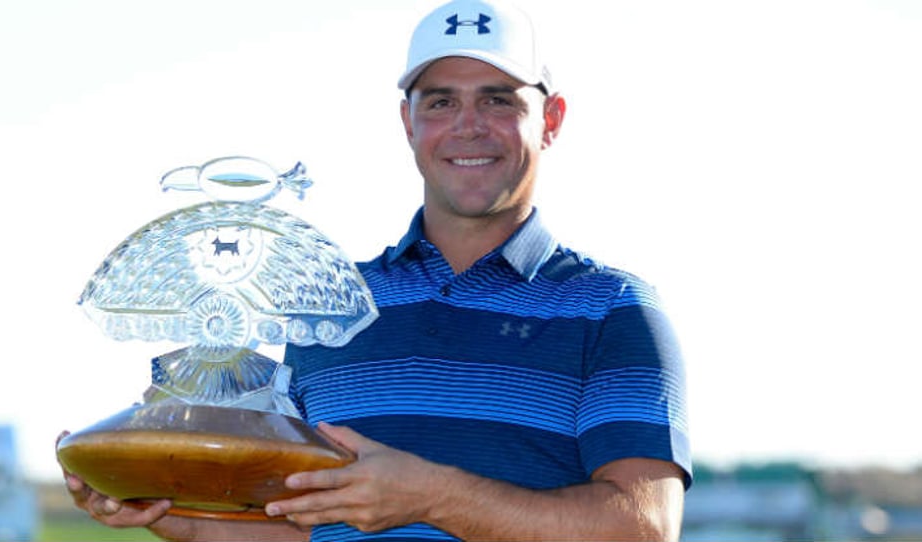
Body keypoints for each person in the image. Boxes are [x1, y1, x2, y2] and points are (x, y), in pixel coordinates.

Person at [59, 0, 692, 540]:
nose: (468, 127)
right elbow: (308, 521)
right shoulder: (332, 303)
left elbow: (642, 526)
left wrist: (434, 496)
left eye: (498, 100)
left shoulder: (612, 310)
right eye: (441, 102)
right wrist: (178, 520)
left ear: (549, 121)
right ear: (407, 122)